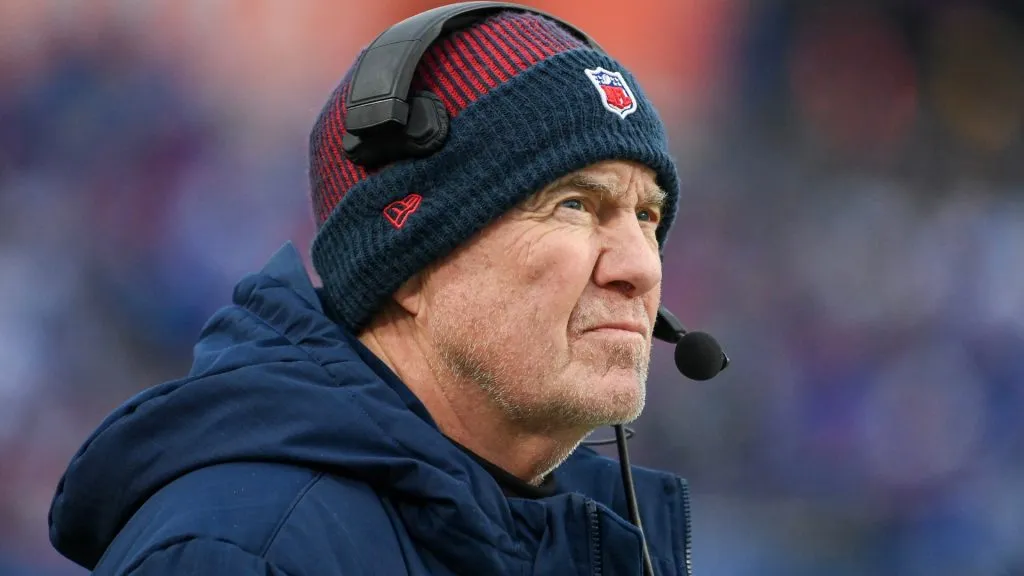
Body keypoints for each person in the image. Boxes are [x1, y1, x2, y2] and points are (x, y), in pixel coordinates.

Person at [49, 6, 695, 575]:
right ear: (409, 264)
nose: (639, 266)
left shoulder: (607, 545)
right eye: (575, 205)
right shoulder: (238, 551)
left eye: (646, 216)